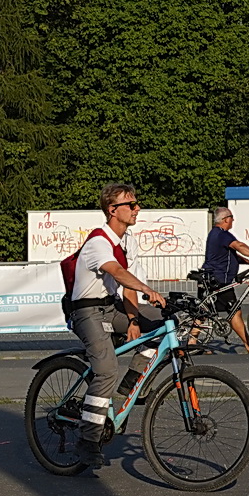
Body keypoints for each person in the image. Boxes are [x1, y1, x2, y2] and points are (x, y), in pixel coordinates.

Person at [62, 184, 166, 468]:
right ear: (112, 210)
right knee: (106, 370)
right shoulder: (98, 241)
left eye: (136, 204)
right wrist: (148, 289)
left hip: (109, 308)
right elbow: (118, 273)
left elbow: (125, 283)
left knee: (162, 323)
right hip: (87, 312)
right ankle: (88, 438)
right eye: (131, 204)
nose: (137, 208)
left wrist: (134, 319)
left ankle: (130, 385)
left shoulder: (125, 241)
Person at [204, 206, 249, 353]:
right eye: (231, 217)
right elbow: (238, 246)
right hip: (219, 279)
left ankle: (190, 344)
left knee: (204, 311)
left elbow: (231, 253)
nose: (233, 220)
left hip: (212, 277)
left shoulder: (216, 234)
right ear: (225, 219)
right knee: (234, 311)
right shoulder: (222, 234)